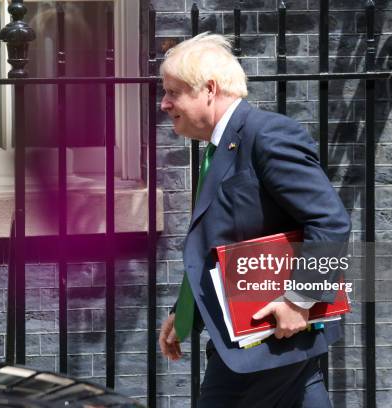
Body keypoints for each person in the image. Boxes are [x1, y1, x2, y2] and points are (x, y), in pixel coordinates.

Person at [157, 33, 351, 408]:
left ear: (209, 89)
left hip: (267, 337)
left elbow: (330, 221)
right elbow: (217, 242)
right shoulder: (222, 145)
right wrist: (183, 317)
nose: (164, 104)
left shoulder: (266, 135)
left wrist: (299, 300)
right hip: (261, 341)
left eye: (173, 92)